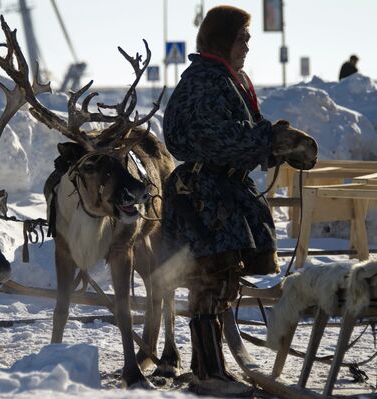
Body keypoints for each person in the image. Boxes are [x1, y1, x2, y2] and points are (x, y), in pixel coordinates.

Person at [162, 5, 317, 397]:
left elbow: (239, 134)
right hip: (205, 196)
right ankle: (208, 374)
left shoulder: (228, 78)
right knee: (210, 280)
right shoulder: (205, 81)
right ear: (221, 39)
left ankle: (209, 367)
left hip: (225, 192)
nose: (247, 44)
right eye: (241, 37)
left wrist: (273, 145)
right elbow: (215, 137)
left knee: (224, 280)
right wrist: (270, 140)